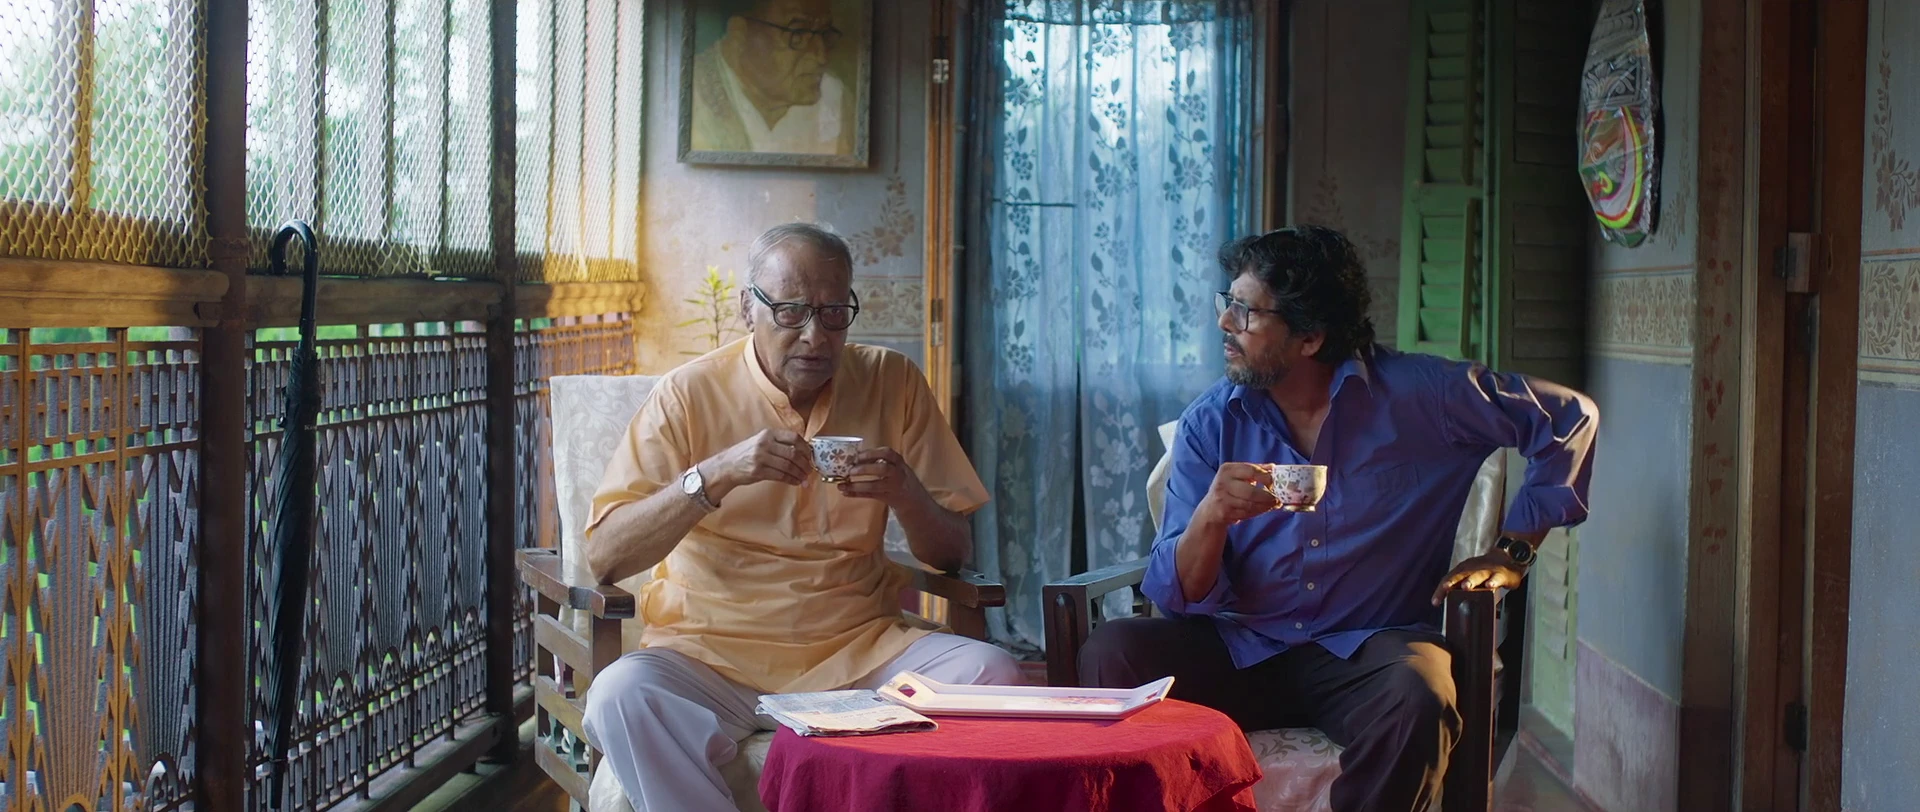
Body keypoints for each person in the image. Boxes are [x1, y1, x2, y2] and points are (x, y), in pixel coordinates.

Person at [1078, 226, 1599, 812]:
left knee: (1421, 691)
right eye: (1228, 303)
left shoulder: (1424, 396)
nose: (1224, 323)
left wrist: (1513, 552)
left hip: (1369, 653)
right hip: (1242, 648)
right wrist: (1210, 517)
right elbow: (1184, 596)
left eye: (1246, 311)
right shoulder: (1213, 421)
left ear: (1310, 337)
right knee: (1113, 650)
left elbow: (1568, 417)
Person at [581, 223, 1022, 811]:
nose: (815, 336)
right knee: (620, 694)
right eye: (790, 312)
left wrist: (906, 494)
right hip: (711, 658)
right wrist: (713, 475)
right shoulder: (687, 394)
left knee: (994, 675)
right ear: (748, 308)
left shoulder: (892, 381)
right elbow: (606, 555)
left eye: (834, 313)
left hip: (860, 652)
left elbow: (953, 553)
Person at [690, 0, 856, 156]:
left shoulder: (833, 99)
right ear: (739, 33)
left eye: (824, 34)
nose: (821, 56)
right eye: (798, 33)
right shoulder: (689, 96)